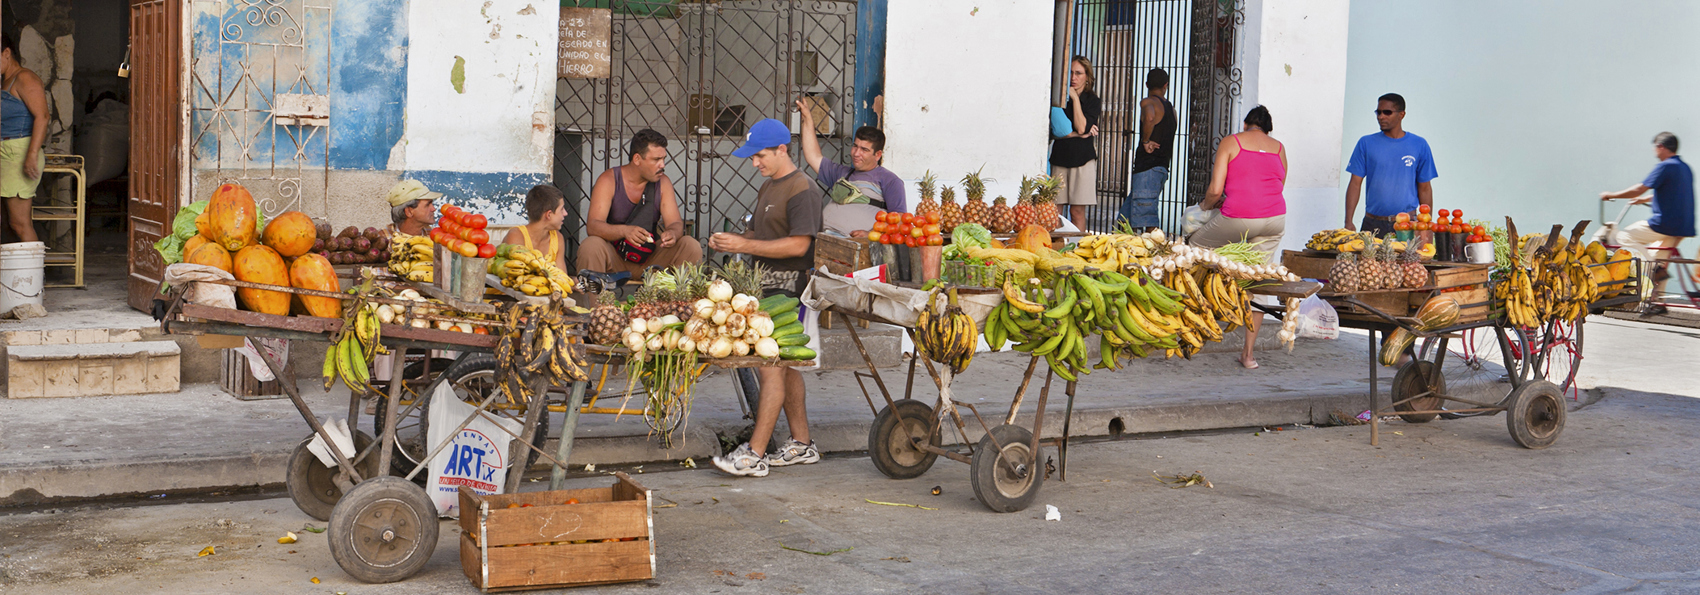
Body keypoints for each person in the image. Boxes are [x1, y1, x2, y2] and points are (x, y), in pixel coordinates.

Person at [709, 118, 823, 477]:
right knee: (783, 367)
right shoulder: (769, 187)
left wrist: (744, 243)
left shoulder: (802, 188)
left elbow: (800, 243)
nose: (754, 163)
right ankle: (802, 444)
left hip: (792, 291)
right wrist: (736, 238)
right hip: (767, 290)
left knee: (769, 367)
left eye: (760, 156)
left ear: (782, 150)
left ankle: (755, 453)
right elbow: (763, 233)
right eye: (752, 157)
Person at [1190, 106, 1286, 370]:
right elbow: (1278, 184)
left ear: (1246, 124)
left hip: (1239, 217)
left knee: (1195, 247)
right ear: (1268, 129)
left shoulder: (1232, 141)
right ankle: (1248, 355)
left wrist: (1206, 207)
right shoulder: (1279, 148)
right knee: (1259, 281)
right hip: (1275, 219)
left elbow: (1215, 189)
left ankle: (1195, 320)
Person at [578, 129, 703, 276]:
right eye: (656, 159)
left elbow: (675, 222)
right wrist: (624, 231)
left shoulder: (663, 183)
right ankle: (593, 299)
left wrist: (673, 234)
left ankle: (676, 299)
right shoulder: (609, 180)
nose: (662, 165)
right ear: (637, 159)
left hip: (652, 261)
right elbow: (593, 226)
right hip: (615, 258)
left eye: (663, 159)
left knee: (690, 245)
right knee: (591, 245)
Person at [1599, 132, 1694, 315]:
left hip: (1664, 224)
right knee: (1660, 257)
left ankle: (1656, 269)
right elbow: (1672, 194)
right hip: (1683, 227)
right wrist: (1643, 200)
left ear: (1661, 147)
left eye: (1655, 147)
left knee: (1623, 236)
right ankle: (1658, 302)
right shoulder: (1684, 168)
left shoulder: (1665, 166)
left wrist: (1611, 195)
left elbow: (1639, 187)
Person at [795, 98, 905, 235]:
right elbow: (813, 156)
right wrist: (807, 117)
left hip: (852, 247)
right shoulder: (842, 173)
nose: (856, 153)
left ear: (878, 155)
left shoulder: (890, 181)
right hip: (822, 238)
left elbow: (900, 220)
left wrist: (870, 234)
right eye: (855, 146)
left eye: (864, 150)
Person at [1344, 93, 1436, 237]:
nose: (1381, 116)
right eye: (1378, 112)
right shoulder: (1366, 143)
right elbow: (1355, 183)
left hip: (1407, 225)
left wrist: (1427, 225)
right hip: (1372, 223)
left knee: (1409, 260)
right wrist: (1348, 221)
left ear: (1402, 114)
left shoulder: (1419, 145)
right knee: (1367, 260)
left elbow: (1424, 188)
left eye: (1387, 112)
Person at [1, 33, 49, 243]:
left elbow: (43, 116)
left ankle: (35, 275)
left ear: (7, 53)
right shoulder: (7, 80)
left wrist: (31, 155)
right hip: (8, 152)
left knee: (20, 223)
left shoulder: (25, 78)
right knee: (12, 222)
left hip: (19, 153)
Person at [1050, 55, 1101, 231]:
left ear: (1087, 77)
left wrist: (1076, 99)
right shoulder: (1057, 100)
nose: (1073, 77)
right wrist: (1076, 135)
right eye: (1071, 73)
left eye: (1078, 73)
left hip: (1083, 160)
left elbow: (1081, 127)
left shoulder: (1093, 101)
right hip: (1059, 158)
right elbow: (1054, 131)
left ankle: (1078, 250)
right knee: (1055, 211)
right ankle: (1056, 249)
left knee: (1078, 211)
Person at [1122, 68, 1175, 231]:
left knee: (1147, 220)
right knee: (1123, 222)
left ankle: (1153, 253)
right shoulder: (1171, 109)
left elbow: (1150, 116)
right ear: (1166, 85)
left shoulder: (1148, 102)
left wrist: (1146, 140)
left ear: (1146, 84)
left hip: (1147, 168)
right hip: (1161, 168)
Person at [501, 185, 573, 273]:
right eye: (562, 209)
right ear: (549, 215)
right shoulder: (517, 235)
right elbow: (517, 276)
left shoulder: (558, 238)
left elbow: (562, 278)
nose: (565, 213)